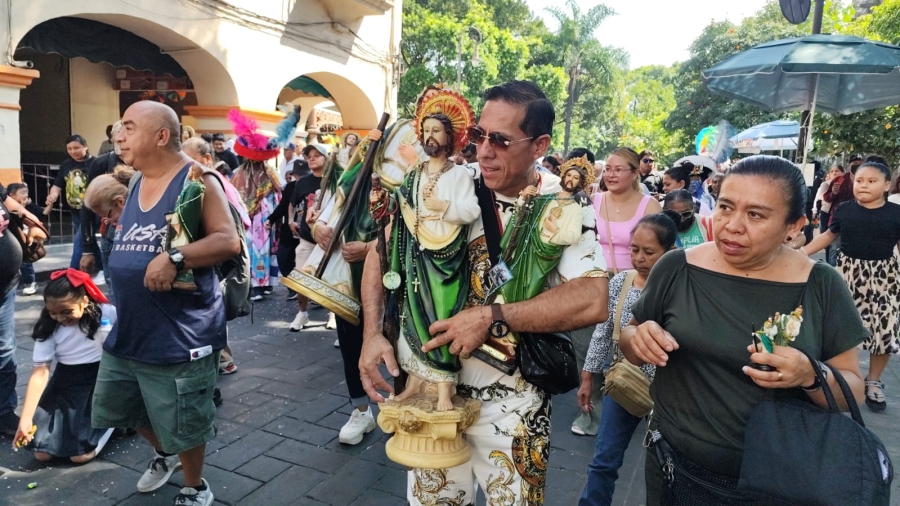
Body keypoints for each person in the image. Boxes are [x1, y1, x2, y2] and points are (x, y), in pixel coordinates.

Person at [359, 80, 609, 504]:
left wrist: (491, 316)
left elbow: (592, 298)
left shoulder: (563, 202)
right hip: (430, 398)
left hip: (514, 406)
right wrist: (371, 334)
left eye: (501, 139)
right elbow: (379, 253)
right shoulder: (449, 181)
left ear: (539, 144)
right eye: (478, 135)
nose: (485, 150)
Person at [620, 155, 867, 503]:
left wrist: (811, 375)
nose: (732, 225)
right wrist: (639, 338)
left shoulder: (821, 284)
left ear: (794, 225)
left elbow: (852, 389)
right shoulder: (676, 267)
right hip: (675, 467)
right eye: (725, 207)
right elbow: (630, 336)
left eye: (755, 215)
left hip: (780, 482)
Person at [90, 101, 240, 506]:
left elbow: (228, 241)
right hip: (132, 328)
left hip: (180, 334)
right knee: (118, 408)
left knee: (185, 423)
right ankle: (165, 455)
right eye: (119, 127)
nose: (118, 135)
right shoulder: (137, 179)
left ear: (160, 136)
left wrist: (175, 258)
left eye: (128, 127)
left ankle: (195, 486)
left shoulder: (197, 178)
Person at [371, 89, 480, 412]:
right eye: (427, 130)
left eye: (437, 131)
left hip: (445, 259)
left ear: (451, 136)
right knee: (411, 316)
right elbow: (402, 205)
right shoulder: (414, 173)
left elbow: (471, 210)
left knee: (441, 317)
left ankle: (445, 386)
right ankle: (417, 379)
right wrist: (383, 203)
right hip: (415, 256)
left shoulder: (459, 173)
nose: (430, 136)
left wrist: (444, 206)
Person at [578, 211, 679, 506]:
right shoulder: (620, 282)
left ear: (669, 252)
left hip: (669, 391)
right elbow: (603, 331)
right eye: (634, 249)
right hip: (623, 382)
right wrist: (588, 375)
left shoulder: (681, 289)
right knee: (604, 460)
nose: (639, 257)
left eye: (649, 252)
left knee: (666, 467)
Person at [802, 160, 900, 412]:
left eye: (871, 181)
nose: (863, 186)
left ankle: (874, 380)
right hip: (847, 276)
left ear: (886, 185)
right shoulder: (845, 210)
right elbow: (828, 235)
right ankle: (843, 376)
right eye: (859, 181)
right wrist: (800, 253)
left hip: (884, 277)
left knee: (885, 329)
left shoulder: (895, 213)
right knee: (840, 328)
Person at [13, 269, 115, 463]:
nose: (60, 318)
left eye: (66, 312)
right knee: (41, 453)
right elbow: (40, 372)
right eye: (53, 313)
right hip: (65, 381)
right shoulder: (48, 326)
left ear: (85, 301)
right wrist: (25, 418)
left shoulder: (107, 312)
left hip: (99, 379)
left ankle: (113, 424)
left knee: (80, 456)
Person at [0, 183, 48, 435]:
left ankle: (4, 412)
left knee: (4, 349)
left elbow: (10, 205)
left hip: (5, 284)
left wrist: (32, 224)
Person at [230, 123, 283, 301]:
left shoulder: (269, 172)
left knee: (262, 250)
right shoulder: (240, 173)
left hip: (264, 218)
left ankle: (264, 284)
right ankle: (256, 285)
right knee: (252, 249)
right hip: (249, 218)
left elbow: (279, 193)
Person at [270, 152, 322, 331]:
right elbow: (291, 203)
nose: (312, 158)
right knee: (300, 278)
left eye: (317, 155)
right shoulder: (302, 182)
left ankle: (333, 315)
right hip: (306, 237)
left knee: (330, 280)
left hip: (328, 239)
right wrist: (291, 220)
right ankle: (302, 313)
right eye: (309, 156)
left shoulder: (335, 179)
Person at [594, 148, 662, 274]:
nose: (611, 175)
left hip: (633, 282)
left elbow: (658, 249)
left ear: (635, 173)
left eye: (618, 170)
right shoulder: (593, 201)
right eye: (607, 169)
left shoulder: (650, 206)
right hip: (593, 280)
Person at [79, 121, 125, 289]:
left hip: (139, 234)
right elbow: (87, 206)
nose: (123, 145)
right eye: (118, 141)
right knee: (114, 286)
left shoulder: (147, 162)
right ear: (111, 140)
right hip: (111, 235)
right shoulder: (101, 164)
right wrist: (88, 248)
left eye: (126, 140)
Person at [46, 134, 100, 270]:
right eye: (69, 149)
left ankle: (71, 275)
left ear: (85, 147)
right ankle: (101, 268)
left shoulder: (97, 162)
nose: (73, 151)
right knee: (89, 241)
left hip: (93, 210)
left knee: (79, 241)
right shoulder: (66, 164)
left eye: (76, 148)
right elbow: (58, 184)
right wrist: (53, 195)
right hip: (75, 211)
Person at [6, 183, 42, 295]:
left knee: (25, 262)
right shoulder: (7, 206)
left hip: (24, 240)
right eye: (22, 193)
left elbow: (38, 217)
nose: (26, 195)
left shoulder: (27, 207)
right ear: (11, 195)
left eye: (26, 192)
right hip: (10, 239)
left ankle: (30, 282)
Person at [813, 164, 844, 266]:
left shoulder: (845, 183)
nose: (834, 173)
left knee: (835, 243)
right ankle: (829, 263)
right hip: (826, 214)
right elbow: (820, 198)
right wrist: (815, 211)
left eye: (837, 171)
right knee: (828, 240)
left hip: (838, 214)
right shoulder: (826, 184)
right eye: (832, 171)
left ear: (843, 173)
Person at [823, 154, 861, 227]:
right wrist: (833, 193)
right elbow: (826, 197)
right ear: (849, 165)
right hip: (838, 219)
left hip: (857, 220)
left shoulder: (866, 181)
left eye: (860, 164)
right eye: (855, 163)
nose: (857, 166)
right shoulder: (839, 180)